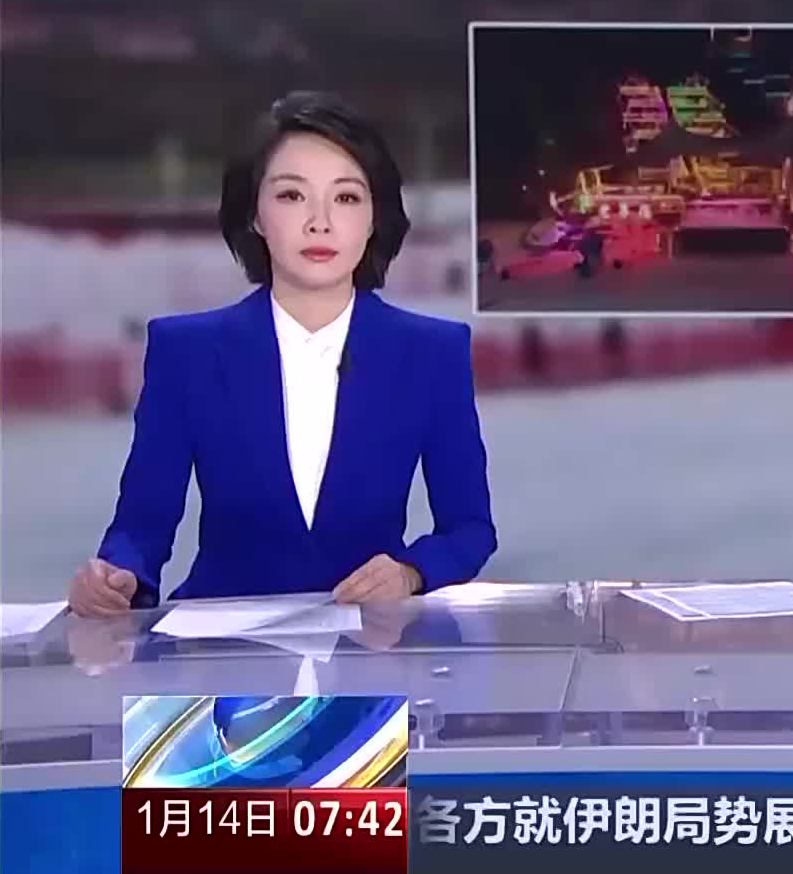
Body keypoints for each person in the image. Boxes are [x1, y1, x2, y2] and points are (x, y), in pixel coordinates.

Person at [67, 91, 498, 617]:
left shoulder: (433, 353)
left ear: (373, 218)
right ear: (254, 214)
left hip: (372, 645)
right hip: (217, 646)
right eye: (293, 196)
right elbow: (139, 530)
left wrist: (410, 572)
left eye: (346, 198)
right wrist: (115, 578)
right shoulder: (187, 352)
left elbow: (469, 529)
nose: (321, 221)